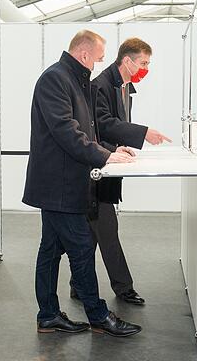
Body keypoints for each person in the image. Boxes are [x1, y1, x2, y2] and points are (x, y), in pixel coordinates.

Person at [23, 30, 142, 337]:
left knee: (50, 250)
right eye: (99, 58)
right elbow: (66, 131)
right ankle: (99, 316)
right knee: (80, 248)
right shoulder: (55, 80)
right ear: (84, 55)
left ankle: (48, 315)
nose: (100, 64)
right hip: (59, 186)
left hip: (64, 184)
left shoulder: (77, 81)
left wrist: (110, 149)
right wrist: (104, 157)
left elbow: (87, 129)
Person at [69, 37, 171, 305]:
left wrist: (123, 145)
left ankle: (77, 284)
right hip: (98, 167)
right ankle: (123, 288)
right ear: (127, 60)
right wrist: (142, 133)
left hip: (108, 164)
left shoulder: (125, 86)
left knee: (93, 231)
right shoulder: (101, 85)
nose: (145, 68)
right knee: (106, 229)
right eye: (143, 63)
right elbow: (101, 123)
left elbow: (112, 124)